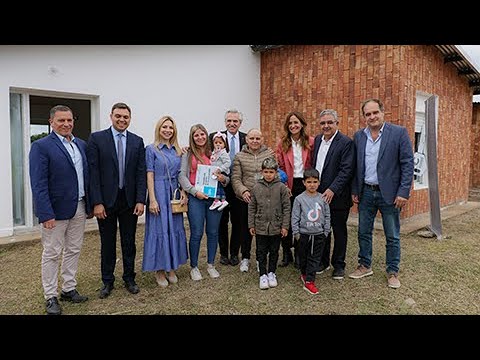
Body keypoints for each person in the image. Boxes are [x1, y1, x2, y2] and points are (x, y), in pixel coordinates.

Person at [29, 105, 90, 315]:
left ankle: (68, 288)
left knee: (74, 249)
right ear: (51, 122)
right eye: (61, 120)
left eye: (69, 120)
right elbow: (38, 183)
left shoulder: (80, 144)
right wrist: (46, 213)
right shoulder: (41, 146)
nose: (66, 124)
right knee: (52, 252)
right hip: (55, 210)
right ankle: (50, 296)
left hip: (79, 206)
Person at [349, 98, 414, 289]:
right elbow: (356, 166)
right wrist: (355, 190)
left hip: (391, 194)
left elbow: (407, 164)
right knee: (363, 231)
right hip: (366, 192)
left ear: (382, 112)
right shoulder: (359, 136)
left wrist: (403, 192)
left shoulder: (398, 133)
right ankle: (364, 265)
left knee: (392, 234)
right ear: (364, 117)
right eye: (368, 114)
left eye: (375, 112)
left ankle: (392, 271)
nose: (372, 117)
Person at [87, 102, 146, 298]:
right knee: (108, 242)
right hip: (105, 201)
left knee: (129, 242)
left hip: (129, 201)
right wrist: (96, 202)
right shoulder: (97, 139)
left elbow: (140, 174)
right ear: (111, 116)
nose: (122, 120)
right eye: (118, 116)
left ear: (130, 119)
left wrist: (140, 200)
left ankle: (129, 278)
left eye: (126, 117)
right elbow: (93, 173)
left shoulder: (137, 142)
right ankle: (107, 281)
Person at [142, 116, 188, 288]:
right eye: (164, 127)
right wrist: (152, 199)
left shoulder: (178, 151)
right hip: (159, 193)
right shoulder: (151, 149)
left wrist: (183, 192)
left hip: (174, 193)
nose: (168, 130)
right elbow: (150, 174)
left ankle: (171, 268)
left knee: (174, 229)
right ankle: (159, 270)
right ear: (159, 129)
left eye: (171, 127)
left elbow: (180, 174)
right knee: (159, 230)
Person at [179, 124, 228, 281]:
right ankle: (194, 266)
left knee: (213, 232)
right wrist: (194, 192)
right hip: (196, 197)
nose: (200, 138)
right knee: (197, 232)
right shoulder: (187, 154)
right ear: (192, 138)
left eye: (202, 134)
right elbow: (182, 176)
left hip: (214, 198)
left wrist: (223, 179)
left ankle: (211, 264)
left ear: (206, 135)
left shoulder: (214, 152)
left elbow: (227, 177)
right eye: (196, 135)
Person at [311, 109, 355, 280]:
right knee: (323, 230)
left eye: (330, 122)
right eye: (323, 123)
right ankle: (323, 261)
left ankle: (339, 265)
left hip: (338, 197)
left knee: (339, 231)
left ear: (337, 123)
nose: (326, 126)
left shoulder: (345, 143)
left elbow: (346, 170)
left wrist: (332, 189)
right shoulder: (316, 140)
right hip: (319, 195)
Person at [231, 128, 275, 272]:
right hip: (246, 199)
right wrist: (243, 191)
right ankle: (245, 257)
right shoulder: (239, 156)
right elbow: (236, 178)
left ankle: (260, 258)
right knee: (245, 229)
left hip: (265, 199)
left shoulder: (270, 153)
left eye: (258, 138)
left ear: (262, 139)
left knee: (262, 231)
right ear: (246, 140)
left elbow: (275, 174)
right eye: (252, 138)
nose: (255, 141)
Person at [275, 111, 315, 267]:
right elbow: (279, 167)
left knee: (302, 220)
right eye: (290, 123)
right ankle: (286, 253)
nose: (293, 125)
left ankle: (300, 253)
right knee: (287, 219)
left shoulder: (311, 142)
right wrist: (285, 186)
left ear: (302, 124)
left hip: (305, 184)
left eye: (296, 122)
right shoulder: (282, 143)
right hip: (288, 185)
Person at [209, 109, 247, 266]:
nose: (232, 124)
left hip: (238, 185)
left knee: (238, 221)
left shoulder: (246, 138)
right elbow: (202, 150)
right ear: (225, 122)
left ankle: (234, 253)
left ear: (240, 123)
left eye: (235, 121)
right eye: (229, 121)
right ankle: (223, 253)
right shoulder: (215, 137)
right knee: (221, 221)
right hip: (220, 185)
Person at [248, 157, 290, 290]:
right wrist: (251, 224)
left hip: (276, 226)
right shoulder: (256, 187)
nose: (268, 175)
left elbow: (286, 207)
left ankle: (272, 272)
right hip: (260, 226)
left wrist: (284, 226)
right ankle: (263, 274)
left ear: (276, 172)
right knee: (261, 251)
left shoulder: (282, 188)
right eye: (266, 172)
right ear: (262, 172)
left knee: (274, 250)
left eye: (271, 172)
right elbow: (251, 207)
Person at [291, 168, 331, 295]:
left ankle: (309, 281)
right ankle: (304, 274)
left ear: (319, 183)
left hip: (319, 234)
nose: (312, 185)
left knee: (315, 258)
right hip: (303, 234)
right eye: (309, 182)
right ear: (304, 183)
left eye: (315, 182)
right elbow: (295, 216)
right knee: (303, 257)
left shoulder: (323, 198)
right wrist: (296, 232)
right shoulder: (299, 199)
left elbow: (327, 216)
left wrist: (326, 231)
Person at [208, 131, 230, 211]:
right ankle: (223, 200)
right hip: (216, 171)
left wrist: (220, 169)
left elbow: (228, 163)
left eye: (220, 143)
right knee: (219, 188)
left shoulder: (223, 153)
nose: (218, 144)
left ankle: (217, 200)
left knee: (218, 187)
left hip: (222, 172)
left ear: (224, 144)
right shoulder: (215, 152)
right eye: (216, 142)